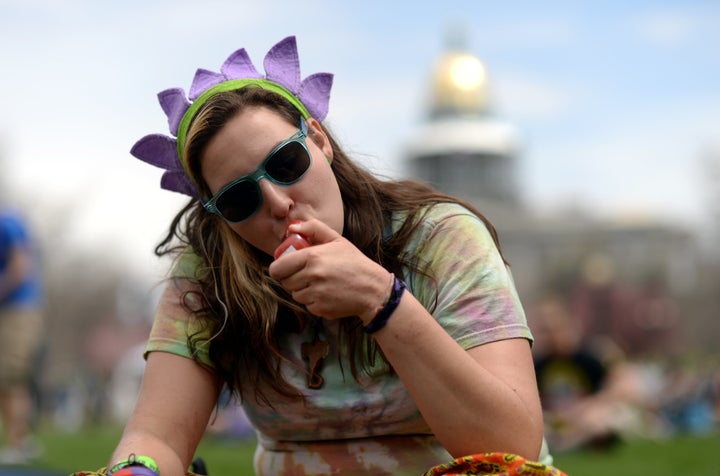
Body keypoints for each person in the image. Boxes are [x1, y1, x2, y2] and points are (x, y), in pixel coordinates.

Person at [95, 36, 552, 476]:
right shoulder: (209, 274)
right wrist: (138, 469)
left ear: (318, 140)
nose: (276, 202)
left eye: (285, 163)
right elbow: (158, 438)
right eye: (239, 199)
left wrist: (382, 300)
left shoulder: (441, 238)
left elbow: (511, 450)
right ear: (222, 219)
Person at [0, 207, 44, 464]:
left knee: (10, 376)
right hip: (6, 309)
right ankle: (20, 442)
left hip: (19, 310)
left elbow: (20, 268)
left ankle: (19, 445)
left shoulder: (7, 223)